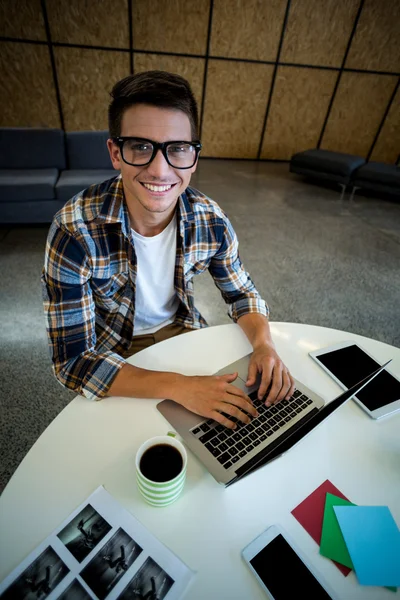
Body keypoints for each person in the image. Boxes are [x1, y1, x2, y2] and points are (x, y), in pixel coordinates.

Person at [42, 70, 295, 430]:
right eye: (141, 147)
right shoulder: (74, 232)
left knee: (234, 427)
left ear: (193, 156)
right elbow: (74, 362)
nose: (160, 170)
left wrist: (264, 344)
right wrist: (181, 387)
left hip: (184, 330)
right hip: (114, 350)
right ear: (116, 152)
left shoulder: (210, 219)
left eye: (177, 148)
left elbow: (242, 294)